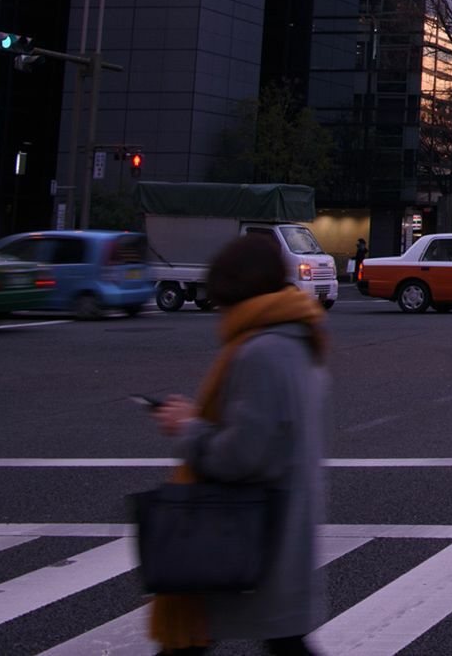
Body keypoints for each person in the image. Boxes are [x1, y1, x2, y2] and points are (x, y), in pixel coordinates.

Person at [148, 234, 330, 655]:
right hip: (285, 526)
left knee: (190, 643)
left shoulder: (260, 351)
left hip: (247, 529)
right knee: (286, 642)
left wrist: (189, 427)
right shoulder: (299, 340)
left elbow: (244, 454)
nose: (219, 313)